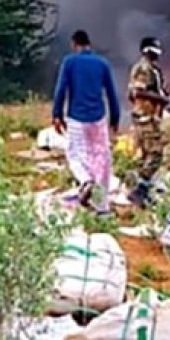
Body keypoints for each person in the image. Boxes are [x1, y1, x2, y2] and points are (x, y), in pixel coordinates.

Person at [51, 30, 121, 215]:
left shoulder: (70, 62)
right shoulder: (102, 63)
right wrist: (115, 118)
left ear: (75, 45)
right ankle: (102, 207)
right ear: (89, 44)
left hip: (76, 118)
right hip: (98, 119)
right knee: (102, 159)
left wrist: (56, 114)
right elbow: (112, 94)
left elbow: (61, 90)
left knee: (75, 154)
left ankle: (85, 180)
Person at [127, 37, 170, 208]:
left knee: (147, 154)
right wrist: (163, 98)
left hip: (149, 117)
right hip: (145, 118)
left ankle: (142, 193)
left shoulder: (153, 70)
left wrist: (169, 98)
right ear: (145, 51)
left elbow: (147, 93)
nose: (155, 55)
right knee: (156, 154)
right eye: (152, 51)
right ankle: (139, 191)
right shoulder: (143, 68)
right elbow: (138, 92)